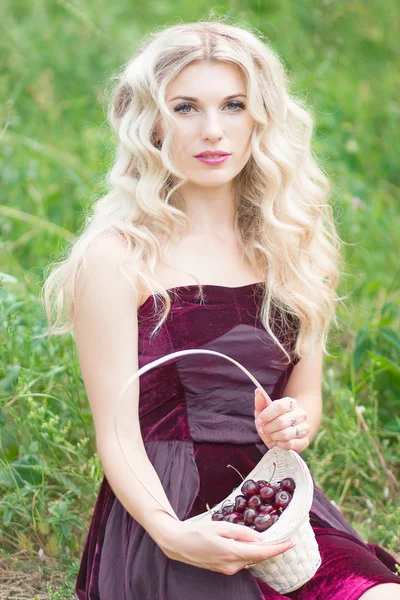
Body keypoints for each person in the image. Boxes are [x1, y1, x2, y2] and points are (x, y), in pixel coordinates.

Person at [41, 19, 400, 600]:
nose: (213, 130)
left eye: (233, 105)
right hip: (166, 510)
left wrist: (296, 421)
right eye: (186, 108)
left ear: (261, 116)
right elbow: (116, 432)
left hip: (274, 503)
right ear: (152, 121)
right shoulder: (117, 257)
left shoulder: (297, 245)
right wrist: (173, 534)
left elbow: (305, 396)